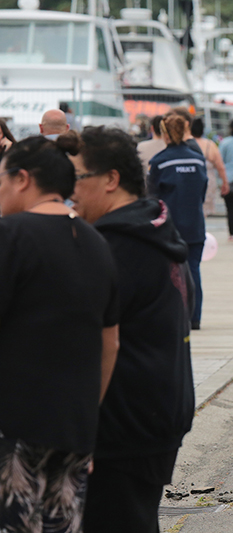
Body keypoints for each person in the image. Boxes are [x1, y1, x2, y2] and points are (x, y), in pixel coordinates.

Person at [68, 126, 195, 533]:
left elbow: (92, 337)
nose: (70, 189)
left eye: (77, 177)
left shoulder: (113, 245)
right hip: (158, 411)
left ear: (110, 179)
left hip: (125, 422)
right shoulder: (154, 228)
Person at [0, 135, 119, 532]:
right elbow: (110, 342)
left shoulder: (9, 235)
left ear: (21, 178)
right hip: (75, 423)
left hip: (14, 422)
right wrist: (88, 410)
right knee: (61, 524)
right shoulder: (97, 242)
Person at [148, 115, 208, 330]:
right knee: (194, 270)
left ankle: (175, 316)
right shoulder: (197, 159)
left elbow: (152, 198)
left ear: (164, 133)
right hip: (195, 225)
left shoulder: (159, 162)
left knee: (168, 273)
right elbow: (201, 192)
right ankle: (195, 317)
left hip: (169, 228)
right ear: (185, 131)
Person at [191, 118, 230, 215]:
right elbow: (220, 166)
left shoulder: (186, 143)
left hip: (189, 179)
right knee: (204, 210)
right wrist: (225, 182)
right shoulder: (210, 145)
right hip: (208, 180)